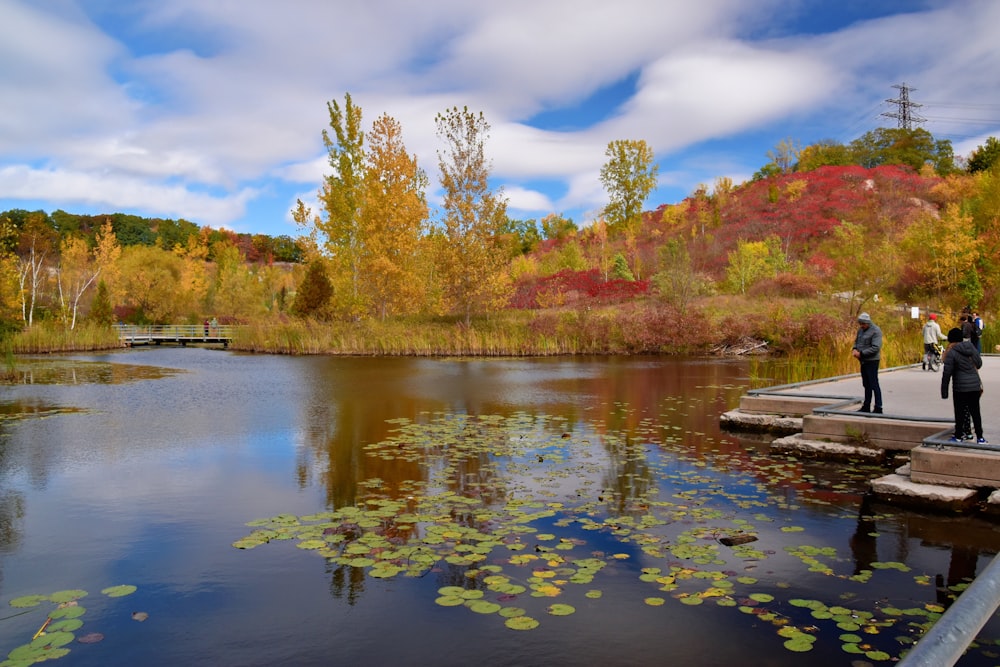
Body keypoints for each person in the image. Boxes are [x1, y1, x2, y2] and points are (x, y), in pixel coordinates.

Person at [941, 327, 986, 444]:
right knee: (976, 412)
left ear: (950, 339)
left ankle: (958, 436)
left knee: (959, 412)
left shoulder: (952, 352)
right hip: (975, 386)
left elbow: (947, 373)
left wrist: (944, 391)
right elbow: (979, 364)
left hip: (960, 388)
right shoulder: (971, 347)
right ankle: (980, 437)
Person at [852, 312, 883, 413]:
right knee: (866, 384)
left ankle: (878, 407)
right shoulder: (860, 330)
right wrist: (854, 349)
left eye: (863, 324)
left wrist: (862, 354)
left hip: (872, 361)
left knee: (874, 384)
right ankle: (866, 406)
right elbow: (856, 342)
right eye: (860, 324)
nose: (861, 326)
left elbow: (876, 347)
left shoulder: (876, 331)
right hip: (863, 361)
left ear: (868, 323)